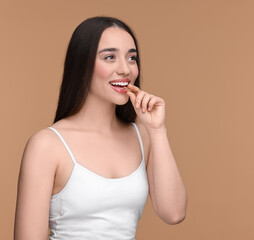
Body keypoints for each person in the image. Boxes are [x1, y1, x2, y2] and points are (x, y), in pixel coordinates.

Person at [14, 16, 187, 240]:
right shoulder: (47, 145)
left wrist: (157, 130)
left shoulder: (142, 136)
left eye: (132, 58)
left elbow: (173, 213)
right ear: (82, 64)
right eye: (109, 57)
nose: (125, 69)